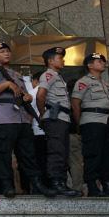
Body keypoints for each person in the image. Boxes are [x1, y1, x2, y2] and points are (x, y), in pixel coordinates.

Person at [0, 42, 56, 198]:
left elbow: (23, 96)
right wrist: (7, 84)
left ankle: (38, 184)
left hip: (22, 119)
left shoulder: (18, 75)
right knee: (4, 154)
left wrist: (27, 97)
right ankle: (6, 186)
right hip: (4, 118)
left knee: (29, 154)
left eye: (8, 51)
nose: (6, 54)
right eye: (2, 52)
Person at [71, 53, 109, 197]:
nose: (103, 63)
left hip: (108, 121)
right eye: (99, 61)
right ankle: (92, 185)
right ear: (90, 65)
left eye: (103, 61)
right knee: (93, 154)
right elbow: (75, 103)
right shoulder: (83, 81)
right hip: (91, 120)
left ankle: (108, 184)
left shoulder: (105, 84)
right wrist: (80, 123)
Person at [35, 47, 80, 197]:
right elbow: (41, 95)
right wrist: (42, 114)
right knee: (56, 151)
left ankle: (61, 182)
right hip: (54, 119)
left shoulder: (58, 76)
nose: (63, 60)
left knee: (62, 151)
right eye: (59, 58)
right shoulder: (48, 75)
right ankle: (56, 182)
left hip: (62, 119)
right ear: (50, 61)